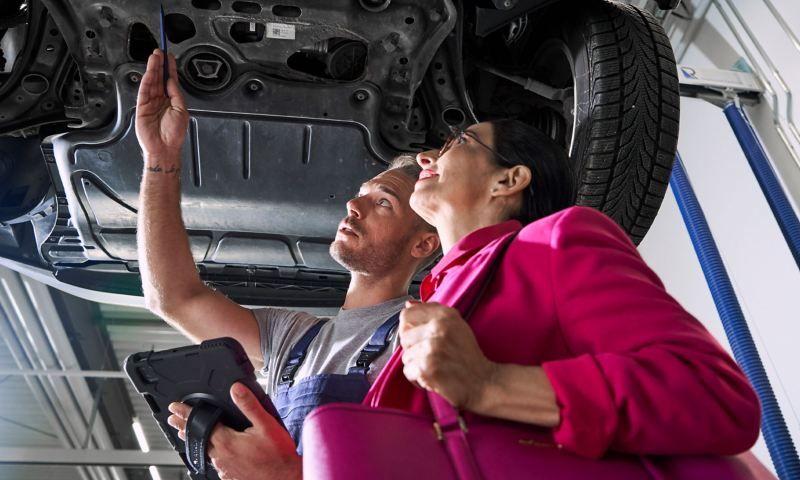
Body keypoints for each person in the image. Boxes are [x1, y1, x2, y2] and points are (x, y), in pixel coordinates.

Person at [362, 120, 761, 464]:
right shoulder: (439, 292)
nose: (425, 158)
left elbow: (710, 394)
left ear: (508, 180)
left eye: (460, 141)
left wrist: (492, 384)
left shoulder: (555, 241)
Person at [134, 49, 439, 478]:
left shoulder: (423, 332)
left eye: (383, 202)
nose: (352, 205)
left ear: (424, 243)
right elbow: (174, 298)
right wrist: (159, 159)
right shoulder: (293, 340)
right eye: (362, 192)